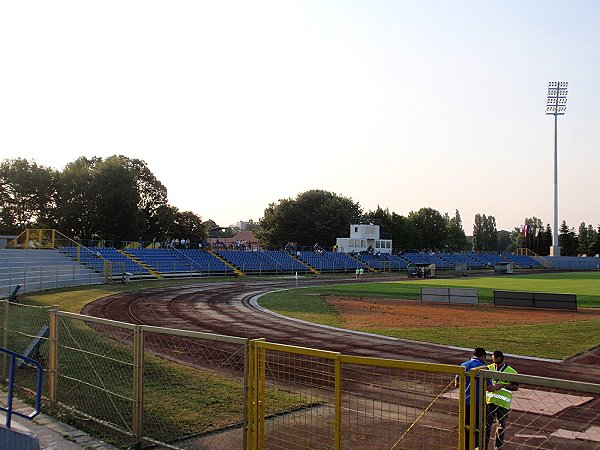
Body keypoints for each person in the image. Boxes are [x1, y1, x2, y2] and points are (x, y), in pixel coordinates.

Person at [455, 348, 489, 450]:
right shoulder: (483, 368)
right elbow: (489, 387)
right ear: (483, 356)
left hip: (465, 401)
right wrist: (500, 385)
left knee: (465, 428)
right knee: (478, 429)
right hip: (478, 403)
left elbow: (456, 384)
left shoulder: (464, 365)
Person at [485, 351, 518, 450]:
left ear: (502, 359)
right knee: (486, 427)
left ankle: (498, 448)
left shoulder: (511, 371)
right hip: (489, 401)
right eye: (494, 362)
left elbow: (515, 387)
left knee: (501, 428)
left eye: (498, 362)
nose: (496, 364)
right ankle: (484, 446)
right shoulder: (488, 368)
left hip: (503, 404)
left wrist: (503, 385)